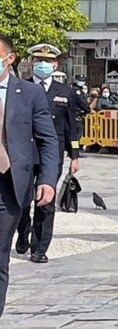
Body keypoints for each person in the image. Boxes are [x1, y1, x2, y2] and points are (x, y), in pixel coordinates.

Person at [0, 35, 59, 317]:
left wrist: (47, 179)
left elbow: (48, 140)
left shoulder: (29, 94)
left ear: (9, 59)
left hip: (8, 185)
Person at [15, 44, 81, 264]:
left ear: (55, 65)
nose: (42, 64)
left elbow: (72, 127)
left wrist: (75, 155)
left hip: (51, 156)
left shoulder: (65, 92)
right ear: (31, 63)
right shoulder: (21, 88)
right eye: (38, 60)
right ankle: (23, 232)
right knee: (22, 199)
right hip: (24, 152)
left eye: (47, 61)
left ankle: (40, 247)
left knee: (45, 201)